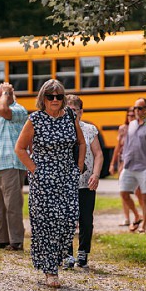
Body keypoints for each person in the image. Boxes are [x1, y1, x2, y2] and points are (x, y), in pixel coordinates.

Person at [15, 79, 86, 288]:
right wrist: (35, 170)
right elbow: (20, 148)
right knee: (46, 224)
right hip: (44, 179)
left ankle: (57, 258)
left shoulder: (70, 116)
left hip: (66, 176)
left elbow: (81, 143)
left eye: (59, 96)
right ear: (43, 99)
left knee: (68, 219)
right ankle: (50, 270)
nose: (55, 100)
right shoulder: (35, 119)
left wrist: (78, 167)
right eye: (50, 96)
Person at [0, 83, 28, 250]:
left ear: (8, 95)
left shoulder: (18, 110)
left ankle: (16, 241)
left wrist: (6, 92)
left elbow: (3, 109)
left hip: (11, 164)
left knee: (12, 205)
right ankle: (0, 239)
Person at [63, 95, 103, 269]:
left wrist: (95, 174)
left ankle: (83, 253)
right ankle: (66, 254)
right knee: (66, 220)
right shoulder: (60, 129)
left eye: (74, 110)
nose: (71, 113)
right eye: (68, 110)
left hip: (86, 183)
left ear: (81, 111)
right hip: (65, 184)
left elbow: (98, 154)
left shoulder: (89, 129)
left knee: (86, 220)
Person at [119, 98, 146, 234]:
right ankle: (137, 215)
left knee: (145, 196)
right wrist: (122, 161)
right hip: (129, 165)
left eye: (140, 108)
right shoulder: (131, 125)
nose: (137, 111)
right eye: (135, 108)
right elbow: (126, 145)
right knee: (124, 193)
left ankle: (144, 225)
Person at [109, 107, 144, 227]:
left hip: (136, 163)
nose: (130, 117)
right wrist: (112, 163)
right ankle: (127, 218)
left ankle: (143, 215)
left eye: (132, 115)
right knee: (123, 190)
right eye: (128, 115)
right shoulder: (123, 129)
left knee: (138, 191)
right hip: (123, 162)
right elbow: (118, 147)